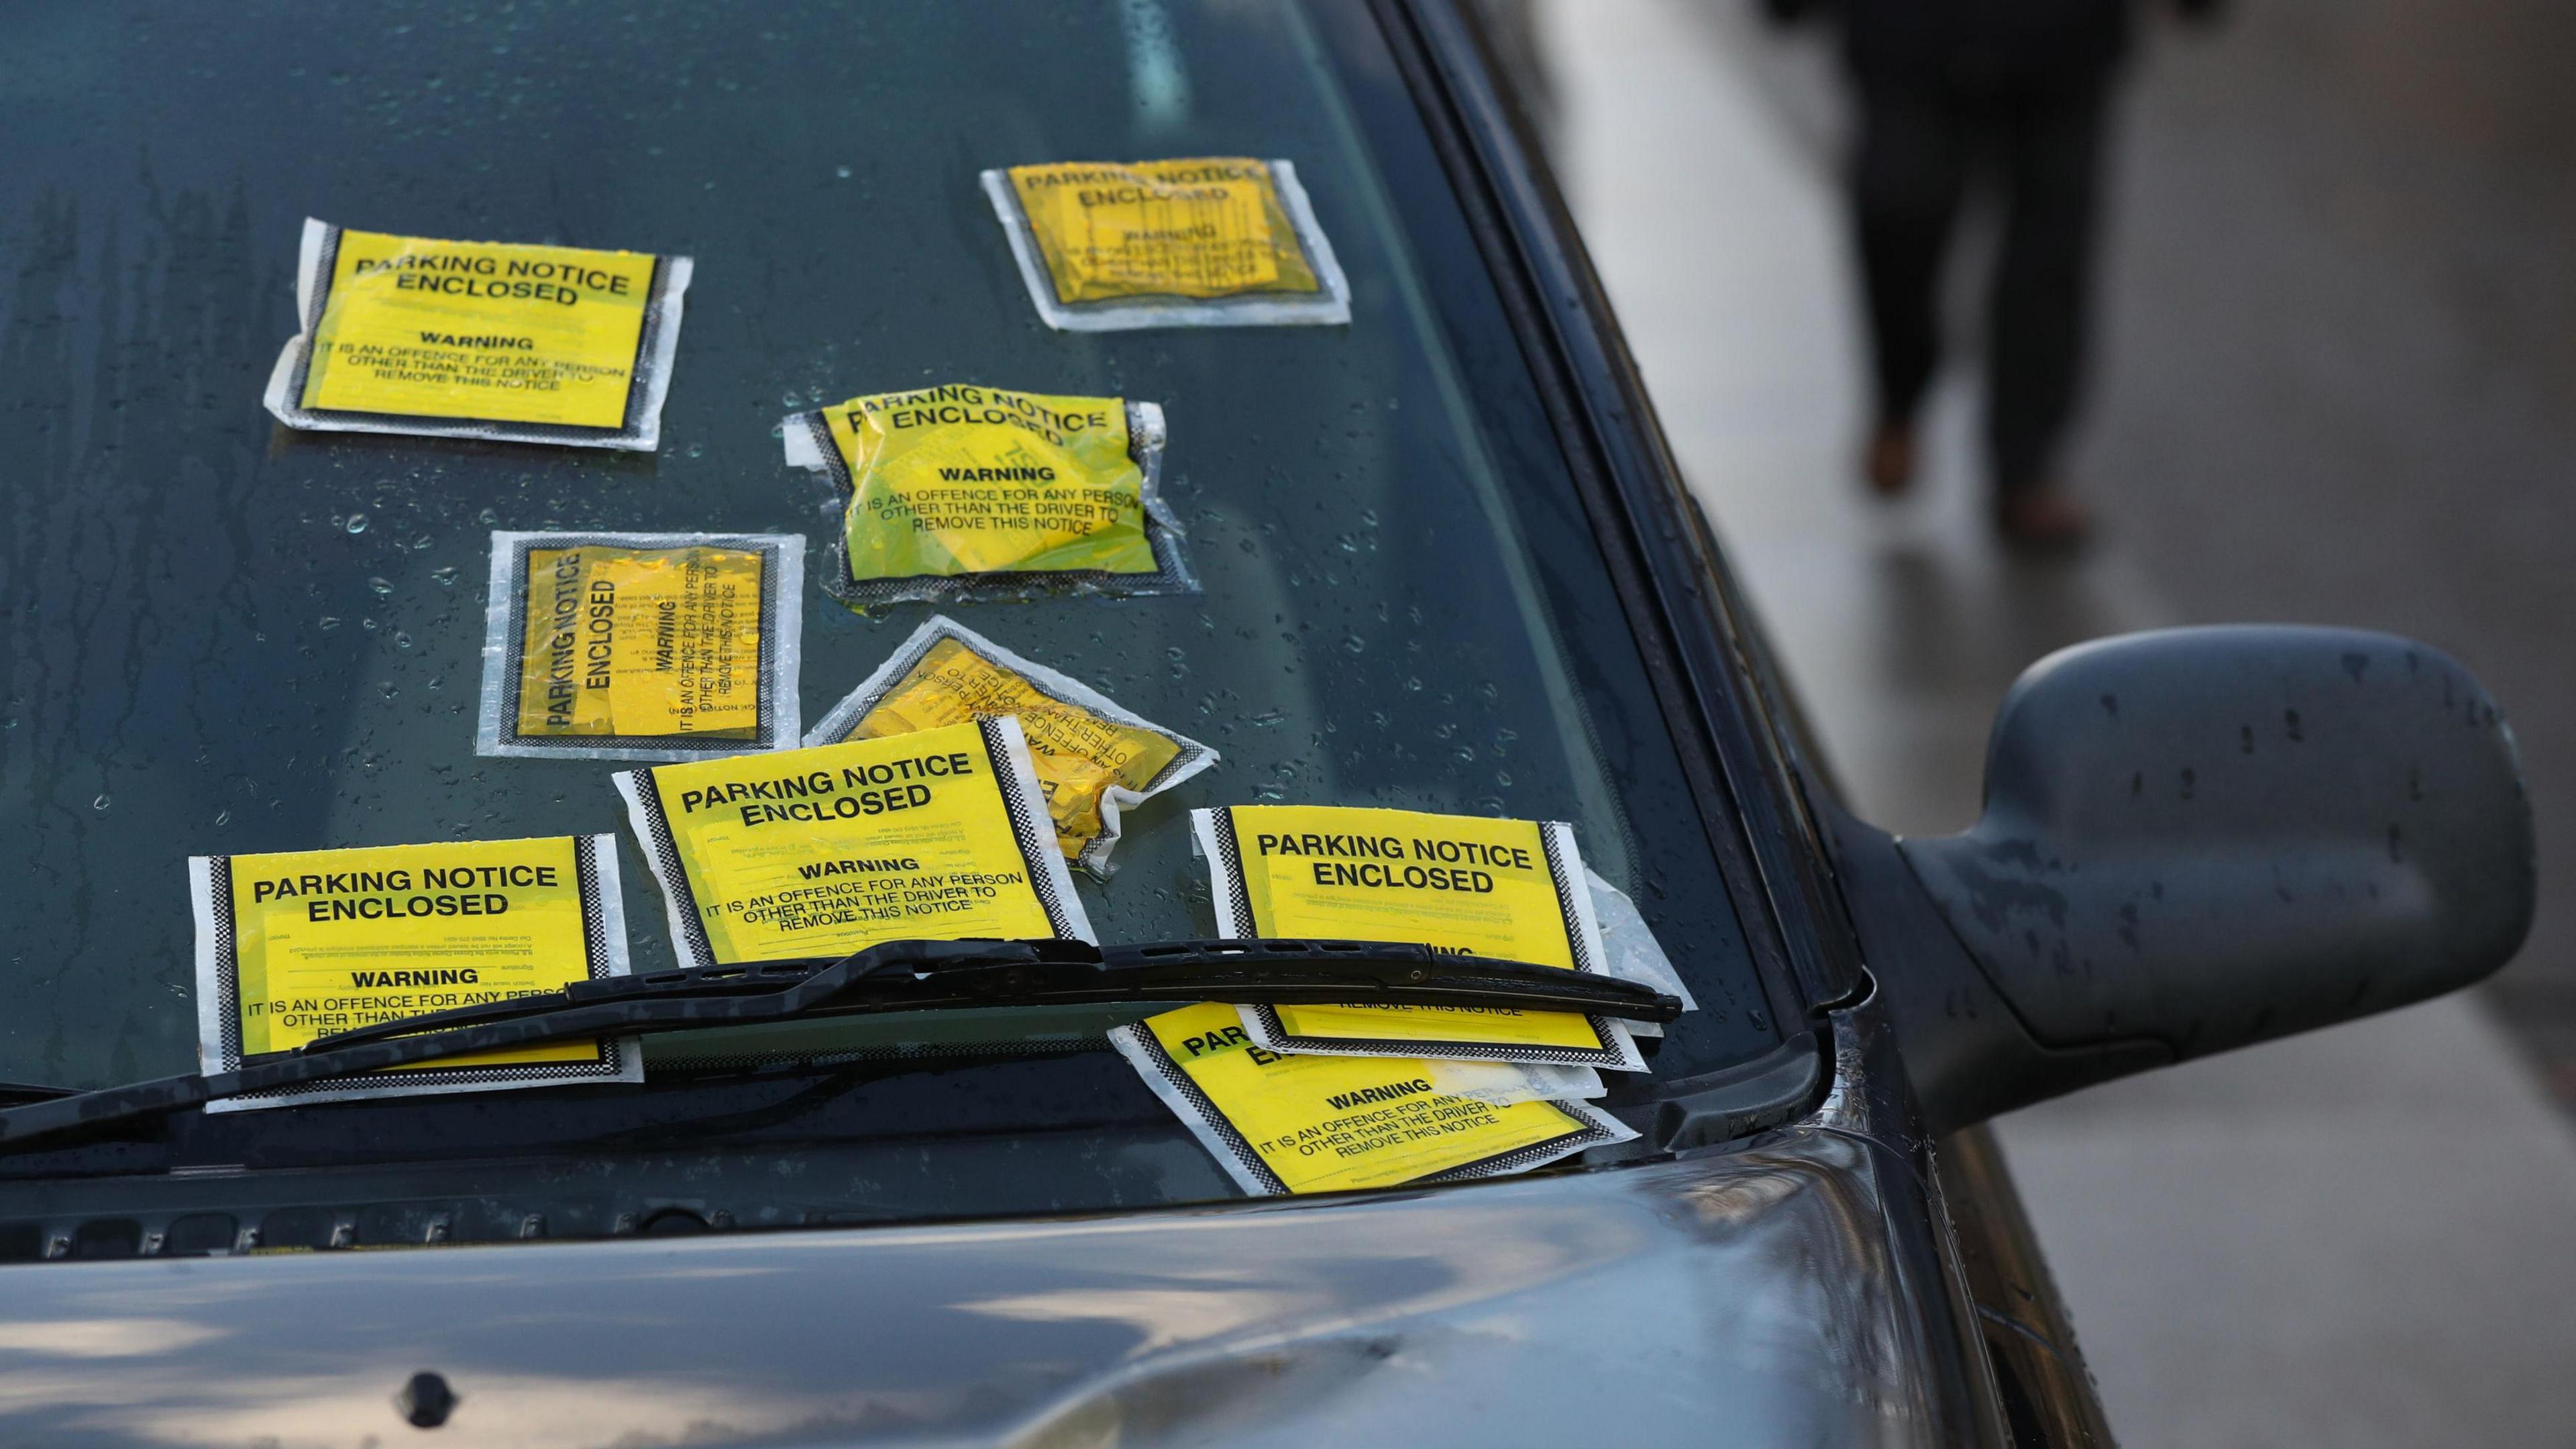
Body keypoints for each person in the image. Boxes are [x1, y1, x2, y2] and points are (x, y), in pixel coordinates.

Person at [1767, 0, 2220, 550]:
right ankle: (1899, 402)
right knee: (1897, 219)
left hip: (2062, 44)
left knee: (2047, 264)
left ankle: (2025, 473)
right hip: (1907, 37)